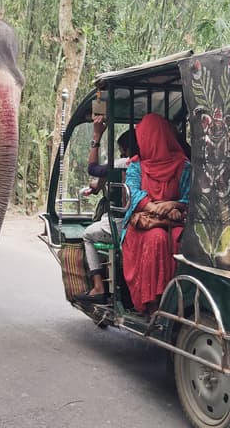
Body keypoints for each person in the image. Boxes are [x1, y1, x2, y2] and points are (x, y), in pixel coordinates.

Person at [121, 113, 191, 314]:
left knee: (183, 239)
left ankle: (181, 299)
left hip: (175, 221)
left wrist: (173, 204)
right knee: (157, 239)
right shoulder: (137, 166)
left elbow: (190, 197)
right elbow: (133, 193)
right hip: (145, 224)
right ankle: (155, 304)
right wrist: (154, 207)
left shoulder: (184, 166)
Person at [76, 116, 137, 303]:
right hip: (133, 221)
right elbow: (101, 179)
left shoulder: (124, 163)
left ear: (126, 150)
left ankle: (98, 286)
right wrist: (95, 187)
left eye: (121, 151)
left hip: (121, 224)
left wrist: (97, 134)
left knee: (87, 235)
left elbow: (94, 168)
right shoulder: (145, 162)